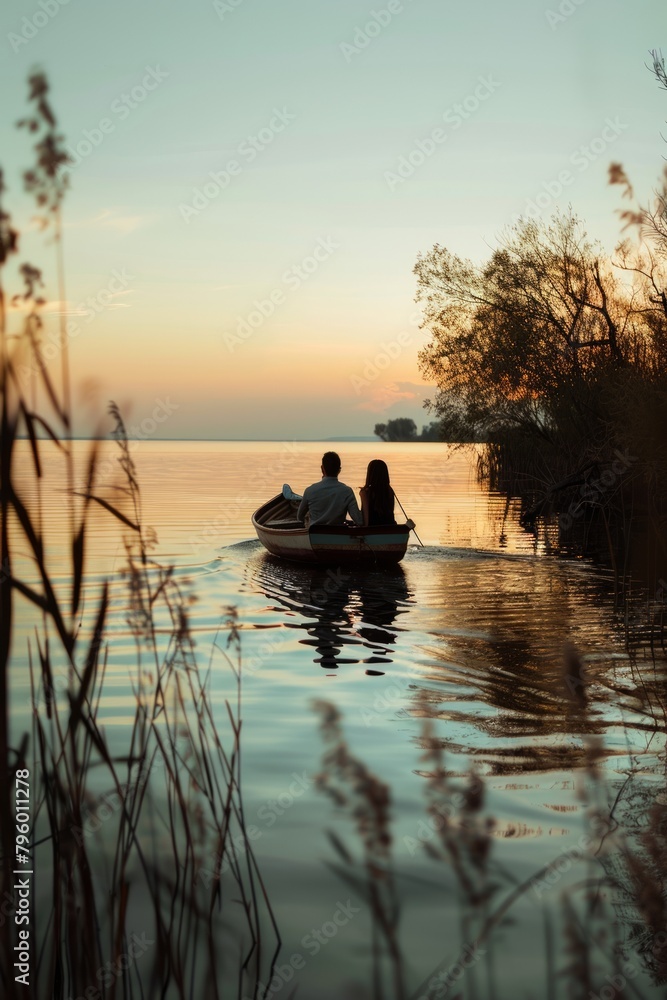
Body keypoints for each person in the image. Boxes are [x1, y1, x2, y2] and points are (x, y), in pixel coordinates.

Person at [297, 452, 363, 526]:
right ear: (339, 470)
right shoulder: (347, 491)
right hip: (338, 534)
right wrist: (364, 499)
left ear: (322, 469)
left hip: (315, 534)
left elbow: (299, 517)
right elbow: (359, 520)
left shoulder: (310, 491)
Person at [360, 459, 397, 526]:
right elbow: (391, 514)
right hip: (390, 527)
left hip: (373, 529)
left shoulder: (366, 493)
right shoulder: (389, 490)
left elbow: (366, 519)